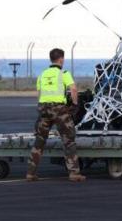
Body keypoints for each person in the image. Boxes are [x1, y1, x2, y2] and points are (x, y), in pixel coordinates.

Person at [26, 48, 85, 182]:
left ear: (51, 59)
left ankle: (31, 172)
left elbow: (40, 94)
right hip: (59, 110)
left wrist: (41, 110)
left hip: (44, 109)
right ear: (61, 59)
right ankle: (74, 173)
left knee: (39, 141)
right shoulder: (63, 73)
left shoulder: (42, 74)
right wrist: (75, 104)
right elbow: (73, 89)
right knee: (69, 141)